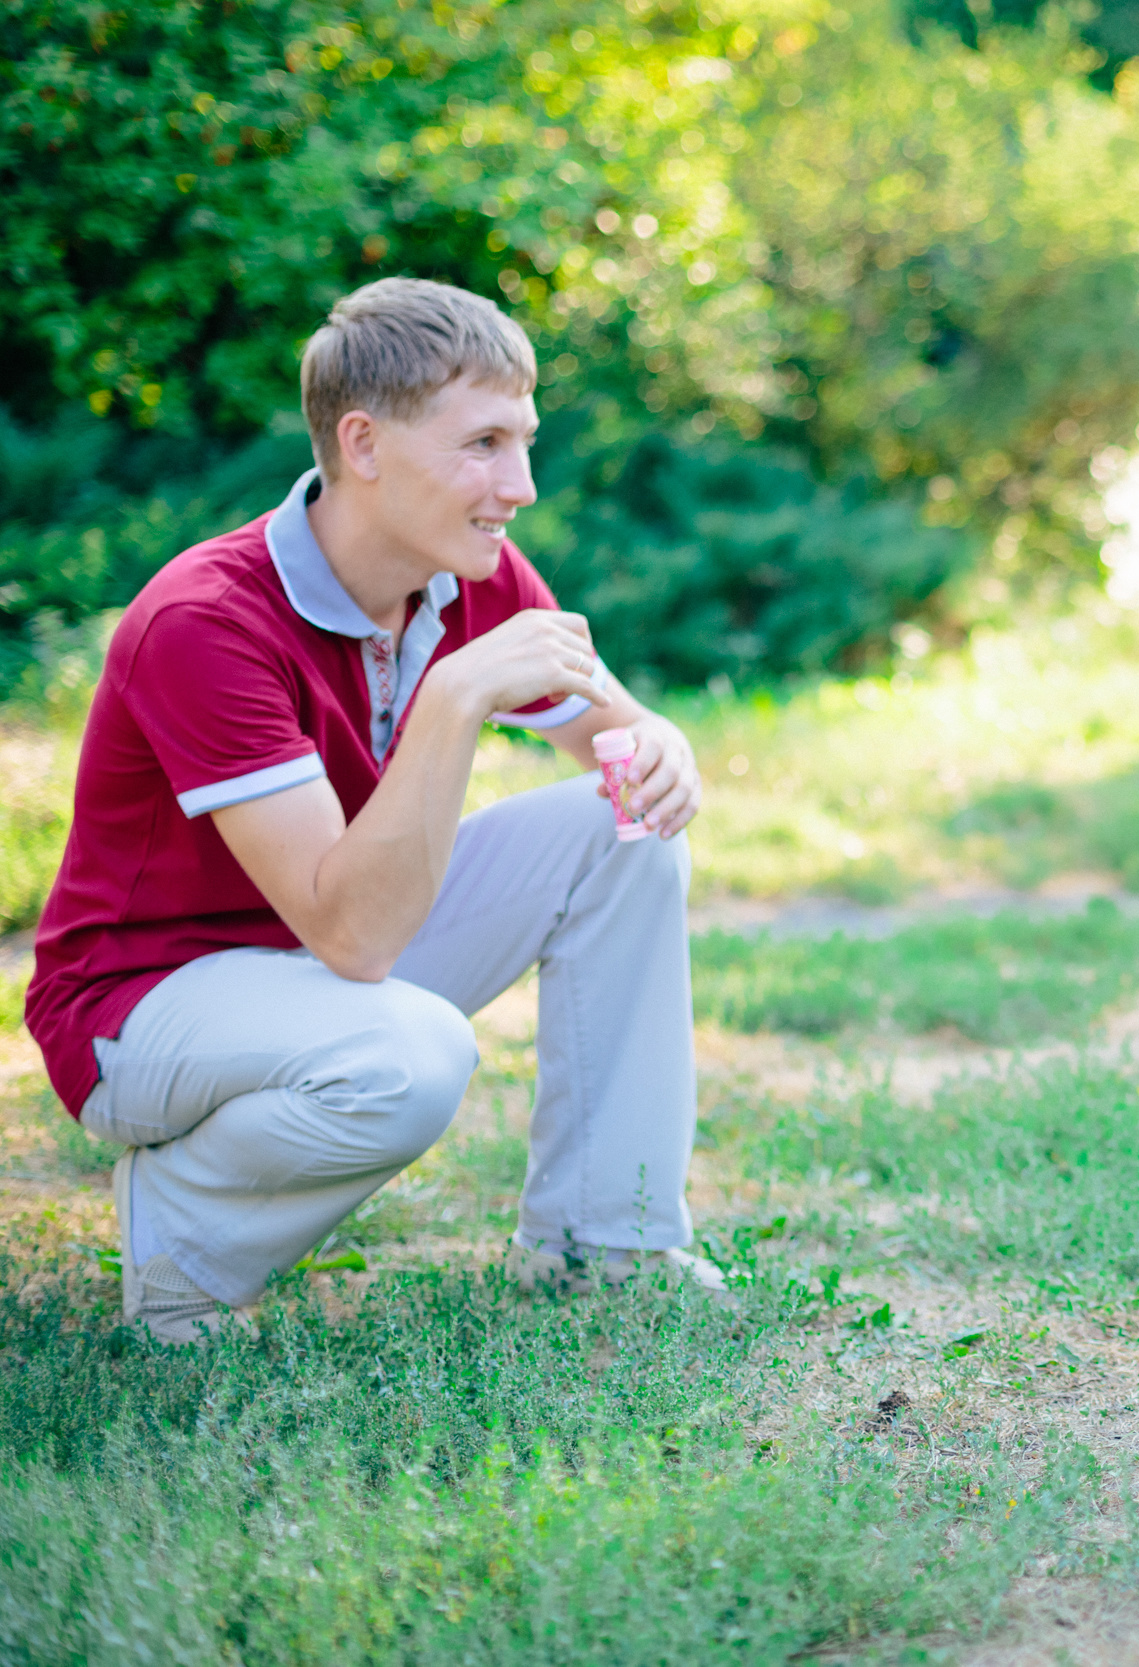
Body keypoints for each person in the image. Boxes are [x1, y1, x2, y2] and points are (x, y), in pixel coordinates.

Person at [26, 277, 719, 1343]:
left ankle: (607, 1247)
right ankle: (182, 1239)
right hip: (143, 1004)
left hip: (318, 963)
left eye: (524, 440)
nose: (520, 484)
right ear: (364, 443)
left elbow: (616, 736)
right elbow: (355, 935)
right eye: (483, 443)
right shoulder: (205, 621)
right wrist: (452, 695)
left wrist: (660, 749)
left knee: (616, 834)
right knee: (411, 1054)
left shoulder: (466, 568)